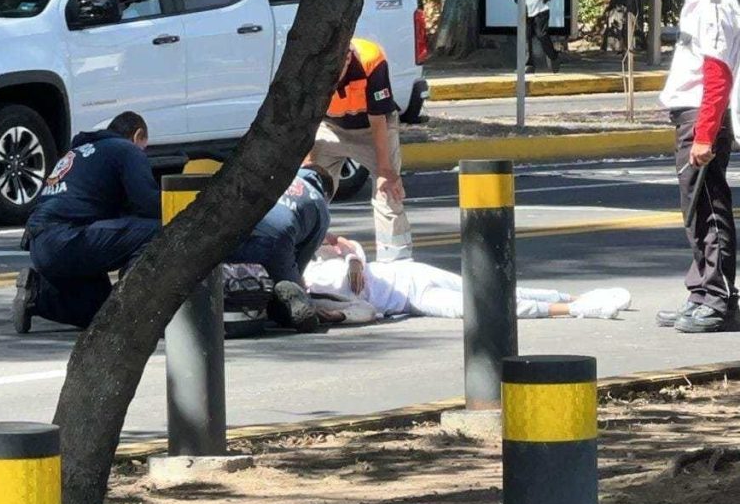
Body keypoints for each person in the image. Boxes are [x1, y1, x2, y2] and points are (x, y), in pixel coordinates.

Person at [12, 112, 161, 333]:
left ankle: (38, 295)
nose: (143, 154)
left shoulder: (79, 153)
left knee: (103, 310)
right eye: (143, 147)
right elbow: (148, 204)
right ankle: (135, 304)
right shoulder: (126, 150)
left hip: (41, 244)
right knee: (160, 231)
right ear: (137, 135)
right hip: (68, 238)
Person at [658, 0, 740, 333]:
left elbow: (718, 70)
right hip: (691, 116)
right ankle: (701, 291)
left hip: (702, 117)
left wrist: (705, 134)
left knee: (708, 206)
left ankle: (718, 297)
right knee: (695, 208)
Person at [303, 239, 631, 323]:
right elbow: (367, 313)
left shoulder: (311, 259)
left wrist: (355, 259)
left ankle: (574, 297)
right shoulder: (315, 298)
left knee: (496, 289)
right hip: (412, 300)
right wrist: (337, 315)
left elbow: (345, 244)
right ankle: (580, 310)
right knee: (484, 309)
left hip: (408, 272)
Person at [307, 38, 412, 262]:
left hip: (371, 128)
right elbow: (305, 120)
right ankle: (318, 256)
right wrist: (307, 165)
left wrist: (384, 169)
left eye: (338, 70)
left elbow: (378, 118)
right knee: (309, 192)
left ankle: (396, 260)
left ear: (348, 58)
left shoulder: (371, 60)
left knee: (388, 191)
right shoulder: (311, 62)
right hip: (328, 127)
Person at [227, 165, 335, 333]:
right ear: (326, 193)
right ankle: (289, 314)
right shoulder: (318, 201)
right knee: (285, 293)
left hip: (235, 231)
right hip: (276, 238)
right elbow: (301, 259)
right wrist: (300, 289)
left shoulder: (273, 175)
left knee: (231, 277)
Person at [507, 0, 566, 74]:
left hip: (541, 6)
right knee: (526, 35)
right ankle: (528, 65)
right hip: (525, 6)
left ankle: (554, 57)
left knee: (541, 34)